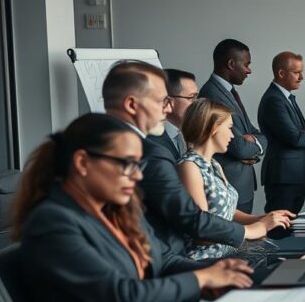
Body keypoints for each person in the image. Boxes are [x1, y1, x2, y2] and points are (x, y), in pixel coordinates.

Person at [13, 113, 254, 302]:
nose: (137, 176)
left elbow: (162, 261)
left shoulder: (117, 211)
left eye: (138, 165)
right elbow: (123, 296)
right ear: (83, 163)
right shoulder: (53, 223)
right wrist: (200, 278)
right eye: (126, 164)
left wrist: (219, 270)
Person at [102, 61, 270, 259]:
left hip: (167, 259)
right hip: (171, 259)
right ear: (131, 105)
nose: (166, 109)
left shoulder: (163, 141)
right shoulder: (150, 152)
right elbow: (193, 219)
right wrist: (249, 231)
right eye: (161, 101)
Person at [178, 99, 294, 261]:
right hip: (209, 261)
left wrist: (264, 218)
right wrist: (253, 229)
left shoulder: (213, 164)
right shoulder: (189, 167)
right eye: (230, 128)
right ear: (213, 129)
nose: (233, 135)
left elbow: (228, 212)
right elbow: (203, 233)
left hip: (231, 253)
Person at [199, 39, 267, 213]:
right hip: (230, 183)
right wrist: (250, 144)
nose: (249, 70)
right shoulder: (212, 93)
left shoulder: (228, 92)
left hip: (241, 184)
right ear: (231, 63)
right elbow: (240, 148)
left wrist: (254, 141)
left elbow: (257, 133)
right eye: (246, 64)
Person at [257, 52, 305, 214]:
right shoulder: (274, 100)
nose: (302, 77)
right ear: (281, 73)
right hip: (283, 176)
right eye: (297, 72)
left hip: (292, 173)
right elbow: (295, 138)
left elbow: (300, 134)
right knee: (279, 227)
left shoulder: (285, 97)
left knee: (289, 223)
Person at [150, 68, 198, 160]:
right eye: (192, 97)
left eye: (197, 97)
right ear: (168, 102)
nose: (197, 103)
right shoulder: (152, 140)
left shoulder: (194, 132)